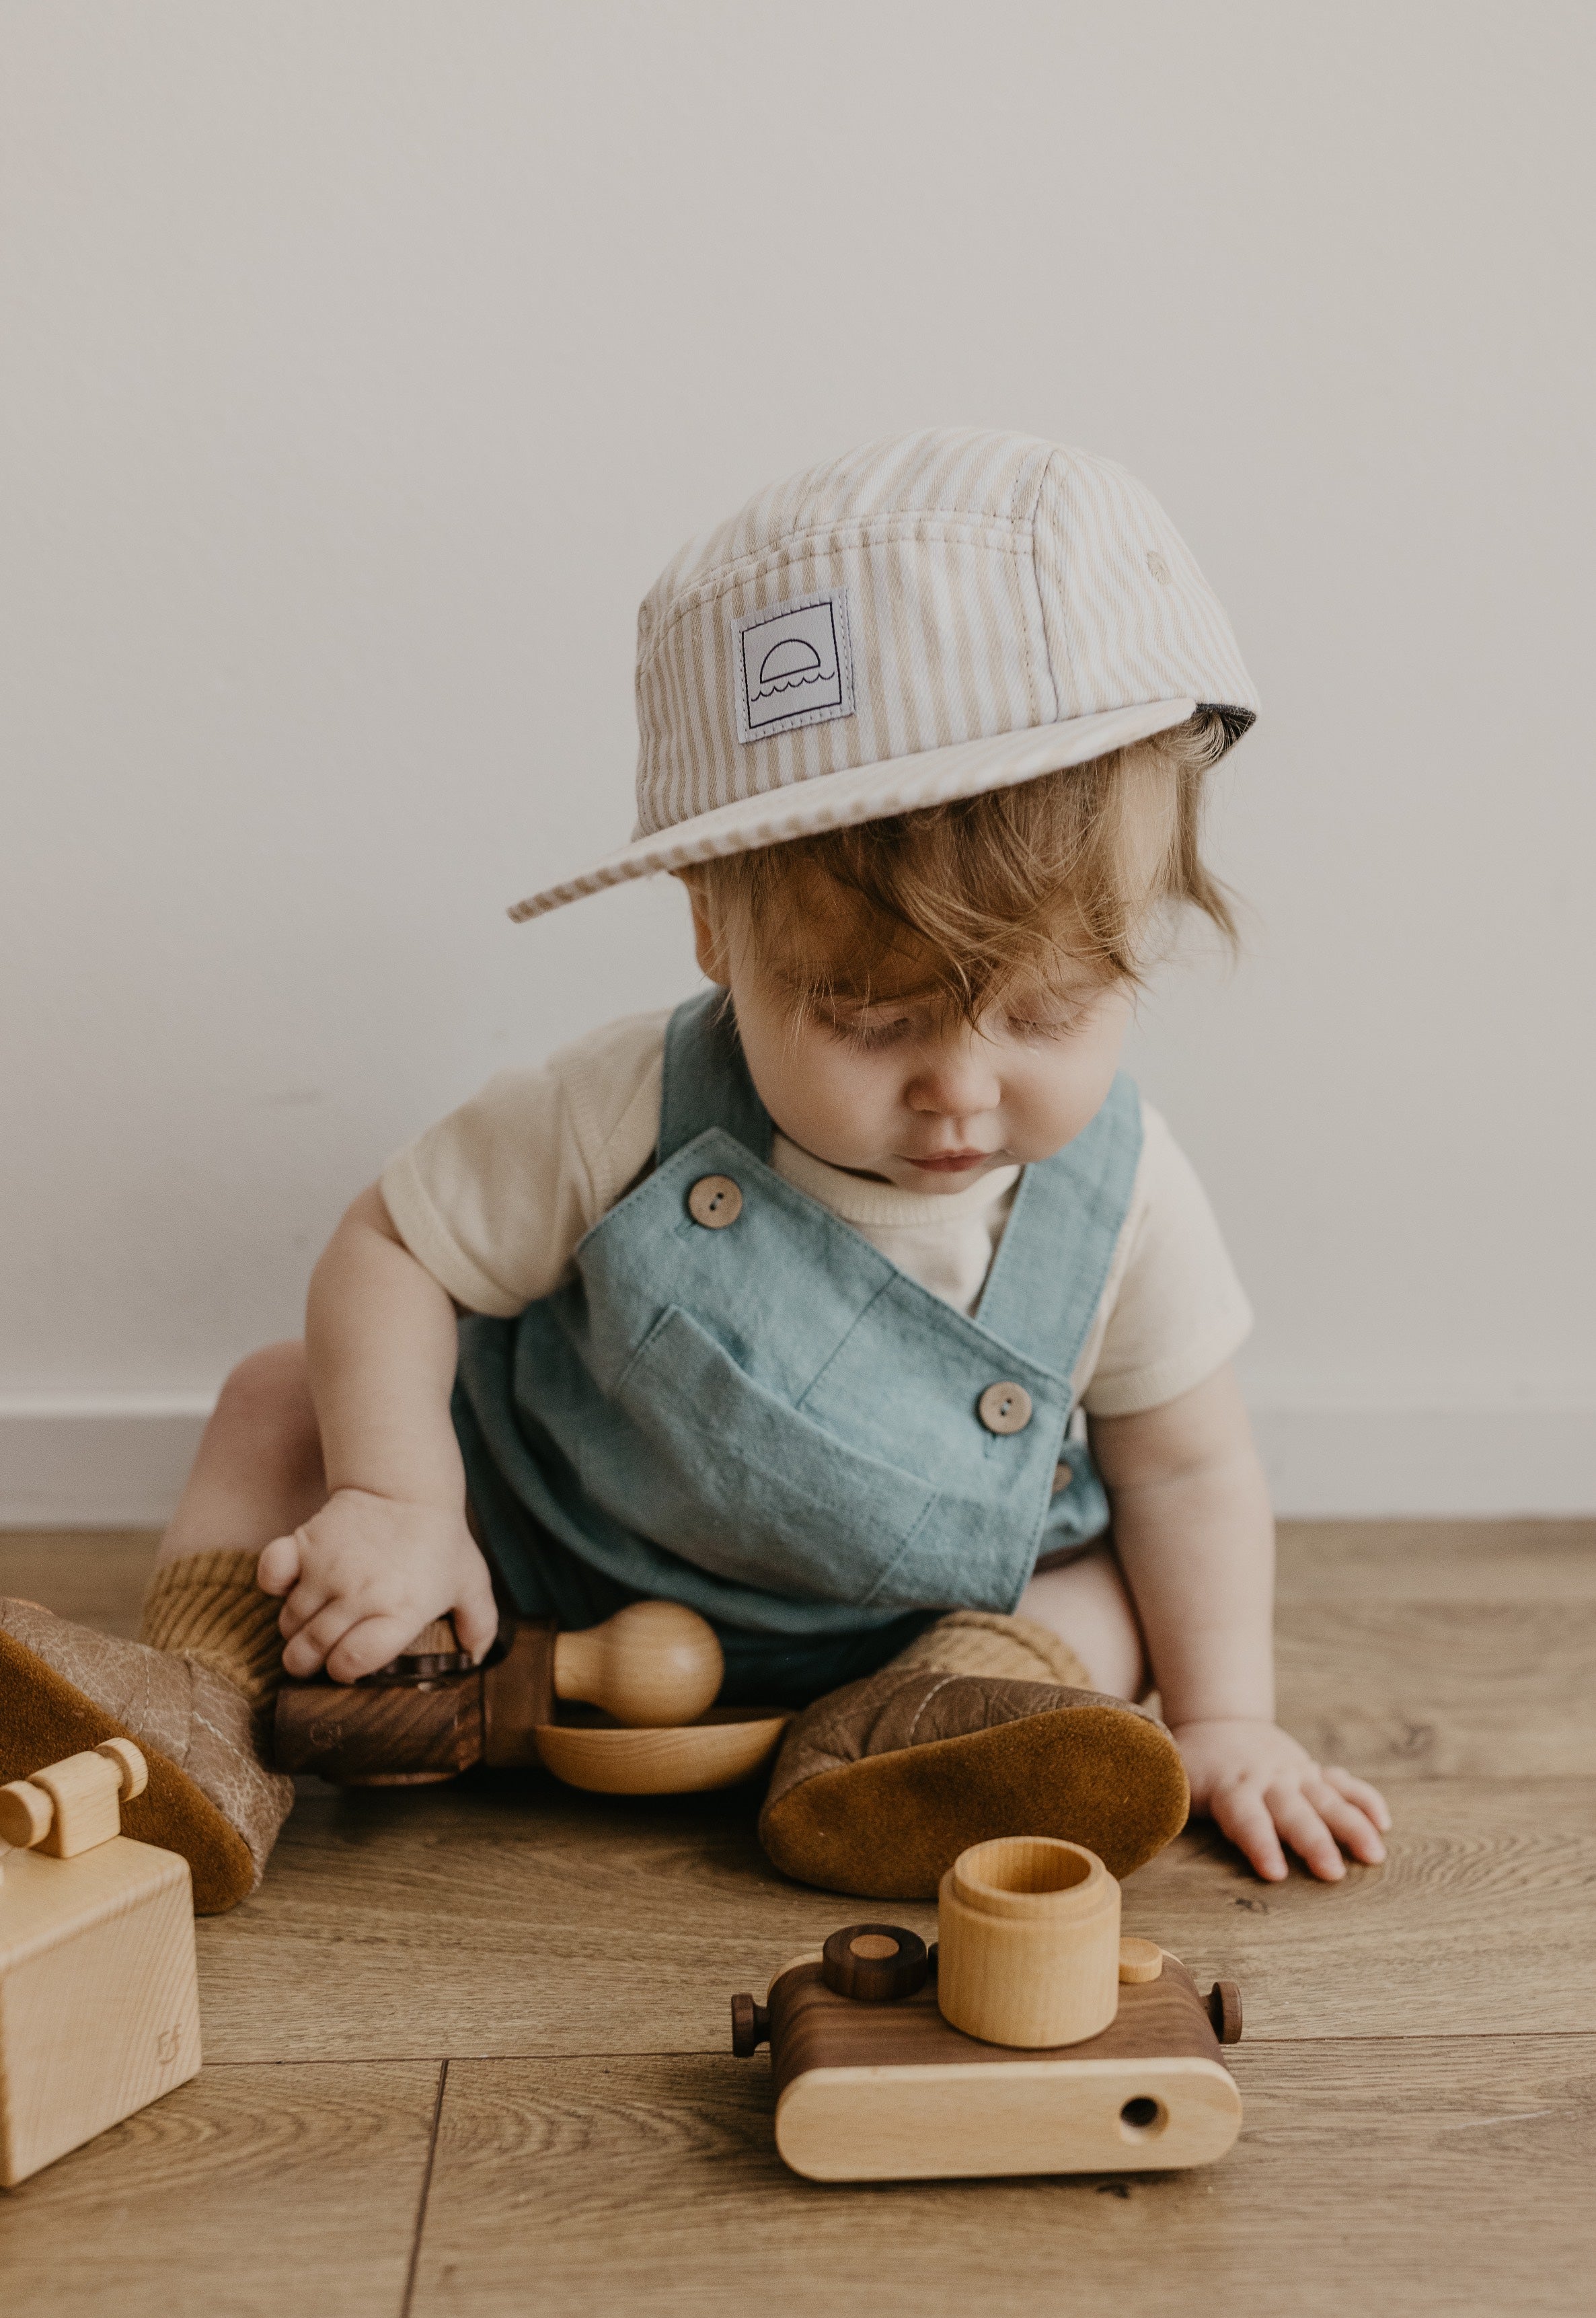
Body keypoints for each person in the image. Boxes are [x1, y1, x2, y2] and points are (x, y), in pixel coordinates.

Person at [1, 428, 1390, 1912]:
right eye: (869, 1016)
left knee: (1113, 1587)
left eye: (1051, 1011)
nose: (961, 1089)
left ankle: (938, 1731)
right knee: (279, 1394)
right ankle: (194, 1720)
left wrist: (1224, 1715)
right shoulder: (628, 1106)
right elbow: (390, 1246)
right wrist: (403, 1496)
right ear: (717, 937)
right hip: (523, 1563)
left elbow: (1184, 1461)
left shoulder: (1126, 1200)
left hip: (901, 1630)